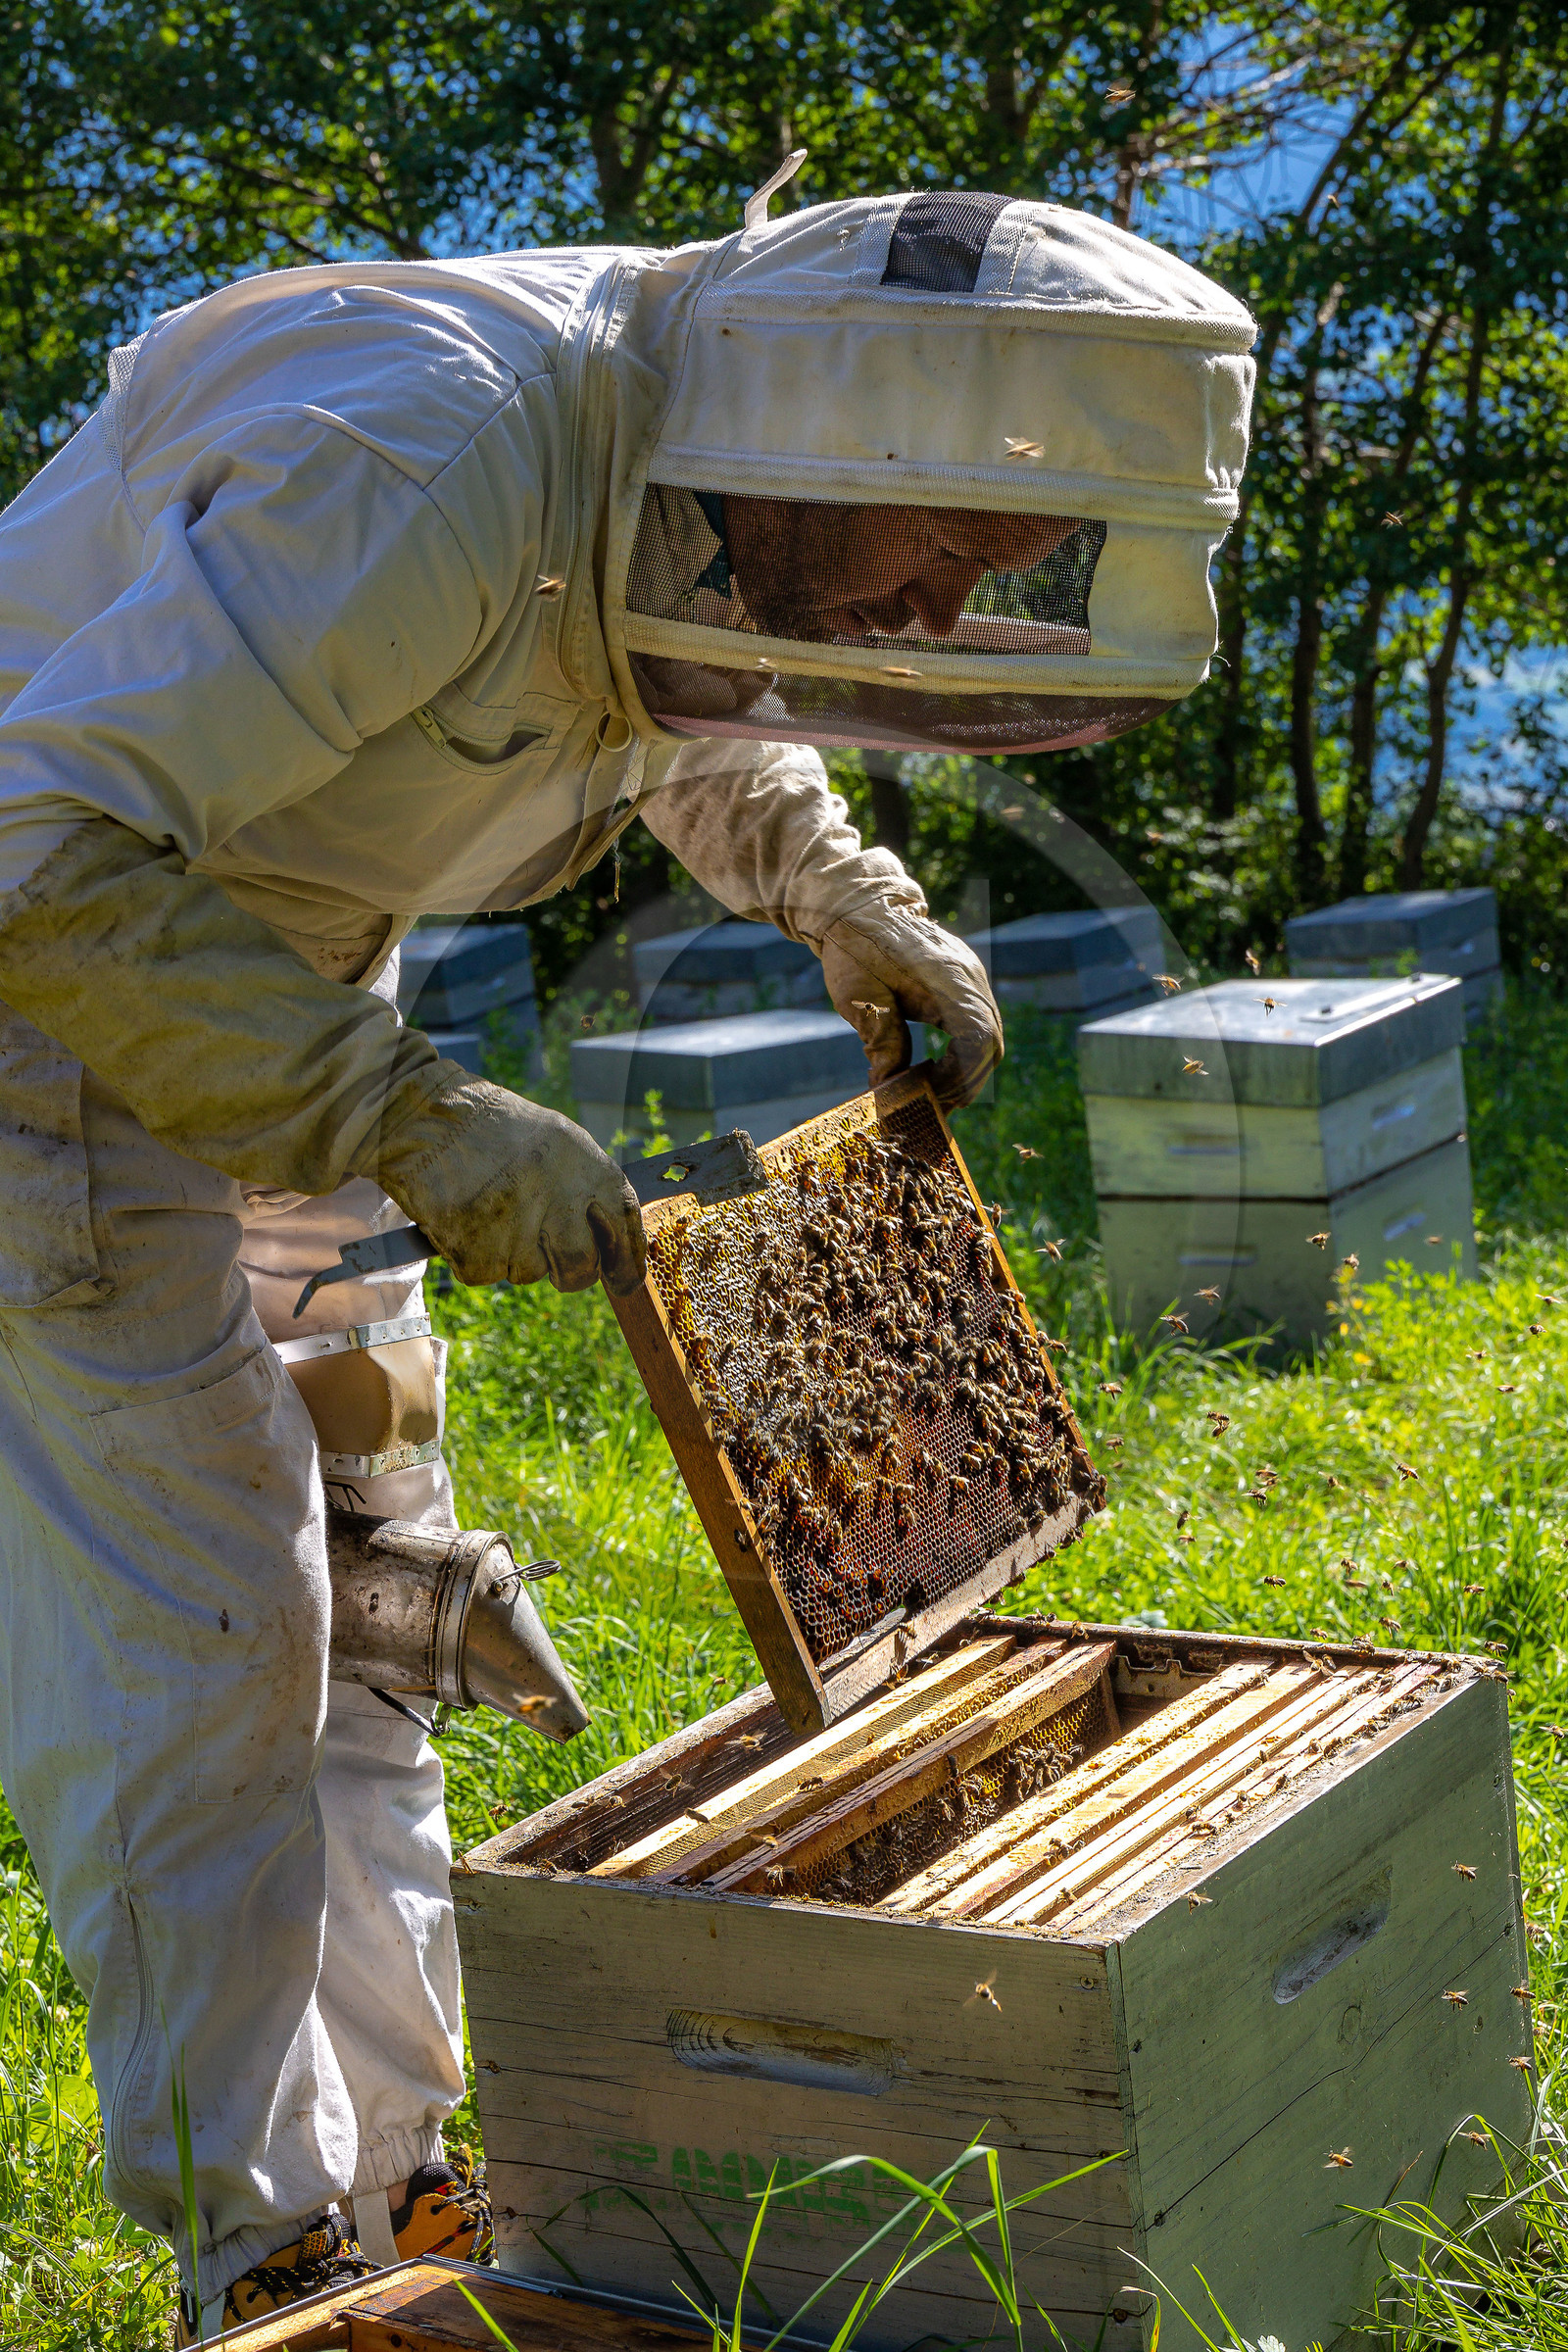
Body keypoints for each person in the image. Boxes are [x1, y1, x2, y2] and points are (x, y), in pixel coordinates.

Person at [0, 185, 1253, 2335]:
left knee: (373, 1592)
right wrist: (404, 1115)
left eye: (997, 566)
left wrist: (837, 889)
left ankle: (399, 2178)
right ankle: (253, 2245)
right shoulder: (419, 457)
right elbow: (37, 847)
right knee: (213, 1627)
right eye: (934, 549)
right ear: (812, 448)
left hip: (292, 971)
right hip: (54, 989)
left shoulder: (708, 465)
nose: (947, 604)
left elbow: (690, 686)